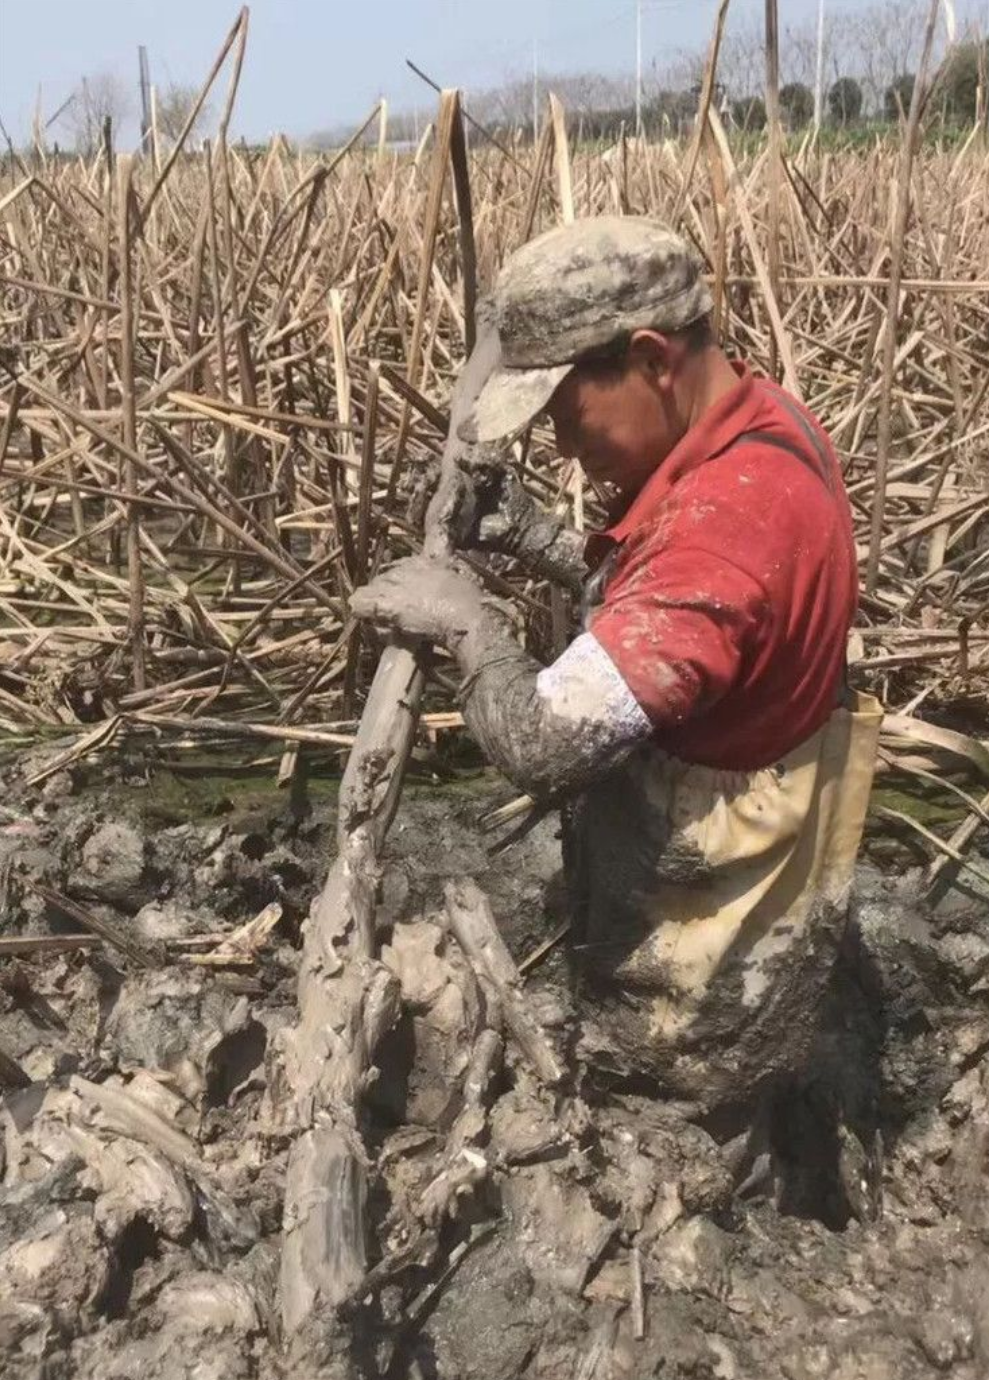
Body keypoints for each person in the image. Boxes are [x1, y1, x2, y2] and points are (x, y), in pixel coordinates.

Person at [351, 217, 882, 1122]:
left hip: (701, 983)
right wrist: (532, 537)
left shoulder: (726, 531)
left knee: (663, 1131)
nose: (562, 446)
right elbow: (686, 623)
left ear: (649, 359)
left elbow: (543, 745)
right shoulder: (760, 427)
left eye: (567, 413)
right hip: (738, 871)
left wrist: (466, 622)